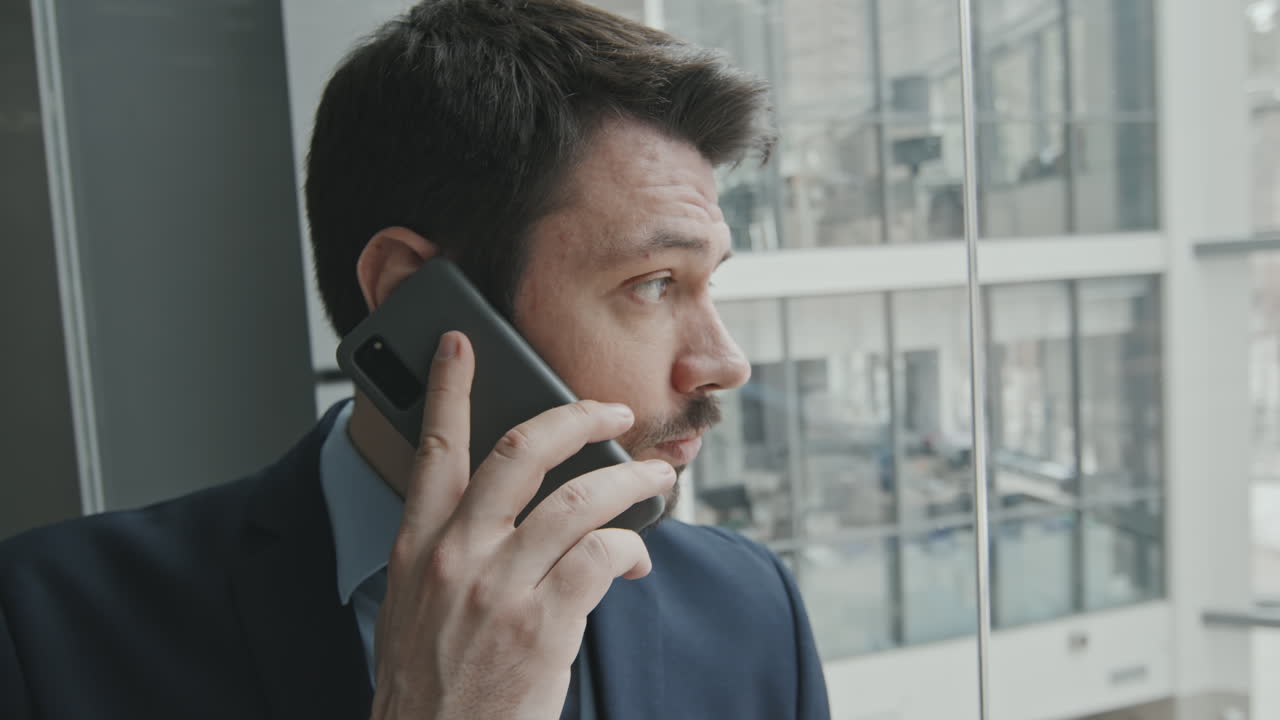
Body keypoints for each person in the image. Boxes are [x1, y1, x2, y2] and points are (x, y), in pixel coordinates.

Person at [0, 1, 830, 718]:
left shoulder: (750, 609)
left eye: (707, 282)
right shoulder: (45, 632)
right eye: (653, 284)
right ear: (414, 302)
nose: (724, 363)